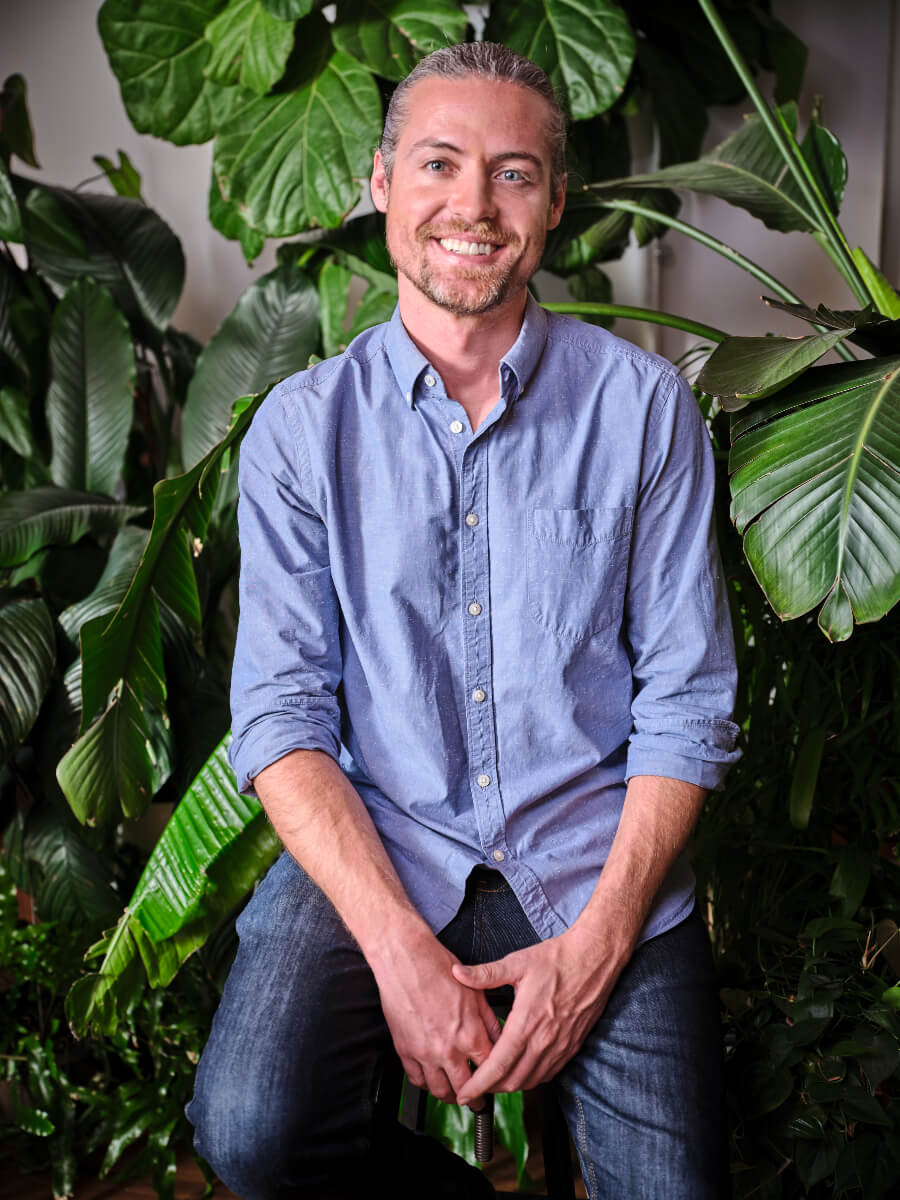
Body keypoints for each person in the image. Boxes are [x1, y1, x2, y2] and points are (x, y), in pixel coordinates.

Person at [187, 42, 740, 1200]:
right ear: (383, 181)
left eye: (515, 173)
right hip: (384, 845)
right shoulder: (301, 430)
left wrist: (597, 954)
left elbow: (688, 702)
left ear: (555, 202)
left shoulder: (645, 410)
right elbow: (281, 715)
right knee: (248, 1131)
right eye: (439, 163)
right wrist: (396, 950)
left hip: (598, 864)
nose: (473, 207)